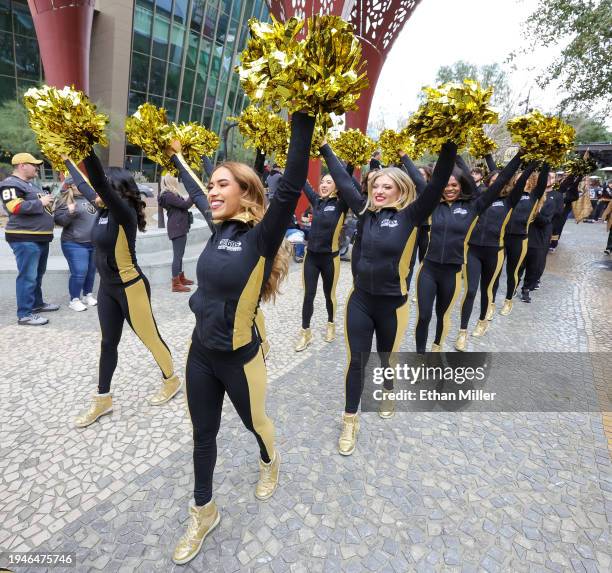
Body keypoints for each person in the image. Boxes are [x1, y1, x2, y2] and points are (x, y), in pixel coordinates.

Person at [166, 112, 315, 565]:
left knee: (256, 424)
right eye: (211, 184)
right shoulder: (218, 229)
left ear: (246, 193)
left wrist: (303, 117)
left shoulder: (261, 238)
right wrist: (175, 157)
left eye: (222, 184)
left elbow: (289, 186)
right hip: (200, 355)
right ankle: (203, 511)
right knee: (202, 435)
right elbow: (192, 189)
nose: (211, 191)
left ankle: (270, 459)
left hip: (240, 359)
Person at [320, 138, 458, 454]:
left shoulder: (411, 216)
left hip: (392, 305)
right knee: (356, 360)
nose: (379, 191)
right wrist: (326, 147)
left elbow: (436, 183)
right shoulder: (365, 212)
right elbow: (342, 178)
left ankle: (387, 389)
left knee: (386, 358)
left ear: (401, 190)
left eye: (387, 187)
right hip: (361, 301)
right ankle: (350, 421)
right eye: (376, 186)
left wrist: (448, 140)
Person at [63, 157, 182, 427]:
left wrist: (86, 145)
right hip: (107, 289)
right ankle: (103, 399)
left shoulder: (122, 211)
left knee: (150, 338)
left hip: (131, 288)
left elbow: (96, 182)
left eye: (104, 184)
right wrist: (69, 160)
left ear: (116, 189)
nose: (96, 190)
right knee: (108, 343)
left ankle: (171, 380)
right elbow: (86, 183)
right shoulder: (103, 209)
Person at [414, 151, 522, 353]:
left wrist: (521, 156)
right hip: (428, 270)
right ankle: (420, 354)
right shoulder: (431, 204)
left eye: (454, 185)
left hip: (452, 273)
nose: (449, 189)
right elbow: (415, 176)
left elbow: (502, 181)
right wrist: (403, 154)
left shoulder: (475, 206)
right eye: (445, 185)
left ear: (461, 185)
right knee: (423, 316)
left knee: (442, 315)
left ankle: (437, 348)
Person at [454, 164, 536, 350]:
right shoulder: (478, 196)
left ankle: (482, 321)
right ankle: (462, 332)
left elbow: (521, 180)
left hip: (494, 251)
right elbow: (467, 173)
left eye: (499, 182)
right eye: (492, 181)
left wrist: (530, 160)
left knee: (486, 290)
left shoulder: (510, 200)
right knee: (470, 290)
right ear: (487, 182)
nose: (495, 184)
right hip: (473, 250)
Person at [0, 153, 59, 325]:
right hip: (24, 237)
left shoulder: (30, 185)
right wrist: (41, 202)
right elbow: (14, 206)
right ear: (22, 165)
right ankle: (25, 314)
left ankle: (36, 304)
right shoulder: (10, 184)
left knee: (36, 275)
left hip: (39, 237)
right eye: (34, 164)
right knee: (28, 276)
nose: (37, 168)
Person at [295, 174, 348, 351]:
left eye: (329, 182)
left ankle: (331, 324)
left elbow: (345, 176)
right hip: (311, 258)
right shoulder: (316, 201)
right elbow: (301, 180)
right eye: (323, 182)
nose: (324, 185)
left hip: (330, 259)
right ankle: (305, 333)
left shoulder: (341, 203)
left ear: (337, 186)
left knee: (328, 295)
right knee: (308, 295)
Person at [492, 166, 550, 315]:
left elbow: (542, 182)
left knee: (513, 272)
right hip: (501, 237)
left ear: (529, 182)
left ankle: (508, 301)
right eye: (517, 181)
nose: (520, 183)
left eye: (523, 181)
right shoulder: (508, 195)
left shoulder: (533, 196)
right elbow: (498, 174)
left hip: (519, 239)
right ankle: (490, 303)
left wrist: (547, 162)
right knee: (496, 272)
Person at [54, 176, 98, 311]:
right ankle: (74, 299)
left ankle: (87, 295)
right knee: (79, 272)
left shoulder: (92, 198)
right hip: (74, 243)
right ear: (71, 186)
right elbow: (59, 221)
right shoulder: (65, 200)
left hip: (94, 243)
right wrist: (70, 212)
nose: (84, 186)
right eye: (80, 184)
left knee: (91, 271)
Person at [518, 170, 559, 302]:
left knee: (534, 266)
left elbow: (545, 221)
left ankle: (526, 289)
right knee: (519, 265)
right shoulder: (526, 198)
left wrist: (535, 212)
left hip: (539, 238)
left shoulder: (550, 200)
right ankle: (513, 286)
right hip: (523, 236)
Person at [158, 174, 195, 292]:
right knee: (177, 256)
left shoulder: (170, 195)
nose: (177, 181)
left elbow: (182, 204)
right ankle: (176, 284)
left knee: (180, 255)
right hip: (177, 228)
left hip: (178, 227)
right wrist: (194, 194)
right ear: (171, 182)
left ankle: (180, 278)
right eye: (175, 180)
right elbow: (185, 205)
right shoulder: (168, 195)